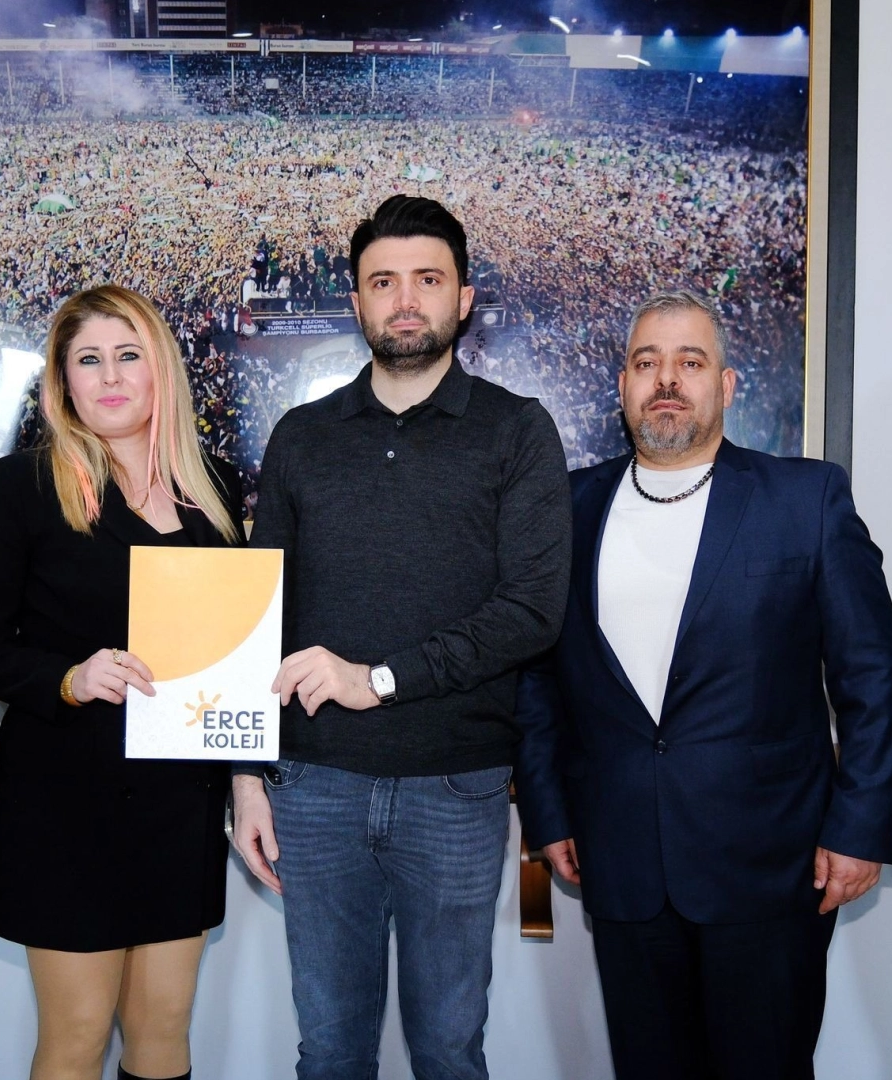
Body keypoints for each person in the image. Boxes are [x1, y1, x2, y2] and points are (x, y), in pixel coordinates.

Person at [514, 290, 892, 1080]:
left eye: (689, 362)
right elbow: (536, 676)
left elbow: (870, 675)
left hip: (770, 868)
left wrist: (860, 829)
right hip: (621, 861)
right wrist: (547, 812)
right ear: (622, 385)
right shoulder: (568, 508)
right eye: (646, 363)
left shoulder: (805, 499)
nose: (666, 379)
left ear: (725, 385)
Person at [231, 194, 572, 1080]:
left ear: (465, 297)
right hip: (313, 787)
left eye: (428, 278)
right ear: (356, 301)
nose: (406, 299)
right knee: (328, 1053)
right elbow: (257, 616)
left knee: (449, 1053)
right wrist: (245, 777)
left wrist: (376, 678)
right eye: (383, 281)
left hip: (455, 789)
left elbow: (532, 610)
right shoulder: (302, 436)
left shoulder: (516, 431)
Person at [0, 285, 244, 1080]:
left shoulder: (214, 488)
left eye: (127, 355)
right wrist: (67, 678)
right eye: (88, 360)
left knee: (164, 1028)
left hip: (180, 801)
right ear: (63, 381)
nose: (110, 376)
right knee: (77, 1034)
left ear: (160, 371)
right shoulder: (21, 485)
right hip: (66, 804)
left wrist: (248, 777)